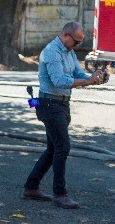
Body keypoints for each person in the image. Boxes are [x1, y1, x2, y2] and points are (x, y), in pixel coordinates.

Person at [23, 21, 107, 209]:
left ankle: (31, 187)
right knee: (62, 147)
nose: (78, 46)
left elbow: (78, 73)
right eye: (76, 42)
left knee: (53, 148)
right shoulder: (52, 52)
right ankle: (60, 193)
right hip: (50, 104)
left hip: (60, 104)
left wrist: (95, 78)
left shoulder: (69, 52)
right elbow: (59, 80)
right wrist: (88, 82)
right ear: (66, 35)